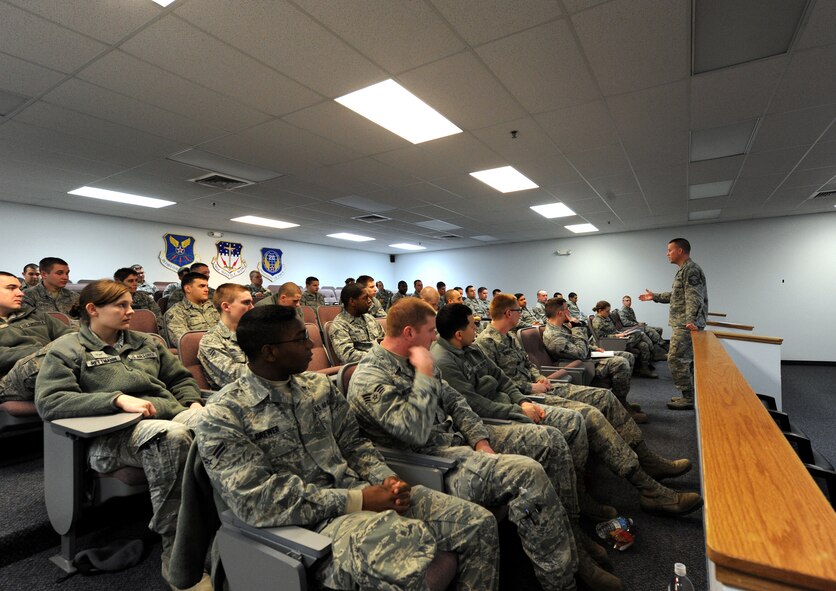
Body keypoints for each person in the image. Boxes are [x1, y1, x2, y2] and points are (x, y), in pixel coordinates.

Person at [195, 305, 500, 590]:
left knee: (479, 523)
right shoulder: (224, 414)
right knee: (406, 546)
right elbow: (260, 501)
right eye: (301, 339)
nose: (311, 347)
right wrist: (358, 500)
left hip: (363, 493)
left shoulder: (318, 387)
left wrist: (386, 479)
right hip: (310, 526)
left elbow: (354, 445)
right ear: (269, 352)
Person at [347, 298, 620, 591]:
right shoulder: (371, 375)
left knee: (550, 440)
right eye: (430, 331)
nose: (436, 337)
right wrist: (424, 376)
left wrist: (480, 440)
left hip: (461, 447)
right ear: (410, 332)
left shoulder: (416, 357)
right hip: (430, 466)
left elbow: (457, 402)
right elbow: (413, 432)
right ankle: (562, 581)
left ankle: (573, 540)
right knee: (526, 473)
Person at [438, 304, 700, 519]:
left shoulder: (480, 345)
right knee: (585, 417)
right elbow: (477, 402)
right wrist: (524, 398)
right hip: (511, 407)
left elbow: (504, 377)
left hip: (527, 394)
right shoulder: (467, 350)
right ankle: (634, 486)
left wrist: (531, 387)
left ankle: (644, 461)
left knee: (603, 397)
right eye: (473, 323)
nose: (477, 325)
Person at [34, 280, 205, 588]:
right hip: (110, 438)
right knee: (171, 436)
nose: (131, 311)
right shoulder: (67, 349)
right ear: (92, 310)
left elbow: (179, 378)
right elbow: (50, 401)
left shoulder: (146, 342)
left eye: (130, 304)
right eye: (121, 305)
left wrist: (192, 404)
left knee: (213, 421)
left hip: (166, 415)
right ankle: (178, 556)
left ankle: (229, 535)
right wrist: (114, 399)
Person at [475, 295, 691, 480]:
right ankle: (637, 473)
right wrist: (530, 386)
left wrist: (539, 378)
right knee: (588, 413)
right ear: (507, 313)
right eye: (517, 310)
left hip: (540, 387)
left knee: (605, 396)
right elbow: (498, 381)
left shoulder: (510, 336)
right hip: (524, 398)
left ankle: (645, 456)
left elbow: (527, 364)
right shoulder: (486, 342)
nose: (521, 313)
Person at [639, 238, 708, 411]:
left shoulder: (691, 269)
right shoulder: (683, 270)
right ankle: (690, 396)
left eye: (670, 250)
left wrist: (690, 320)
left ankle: (688, 397)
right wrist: (654, 296)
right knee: (686, 360)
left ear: (680, 251)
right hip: (684, 322)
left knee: (676, 359)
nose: (667, 253)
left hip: (686, 324)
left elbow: (694, 297)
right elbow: (676, 295)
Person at [0, 271, 74, 403]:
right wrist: (40, 351)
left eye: (19, 288)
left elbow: (70, 336)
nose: (20, 293)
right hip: (8, 380)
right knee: (50, 361)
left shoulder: (35, 314)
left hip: (50, 364)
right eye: (11, 288)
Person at [197, 283, 254, 390]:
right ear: (226, 307)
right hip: (237, 399)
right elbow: (236, 378)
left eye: (251, 302)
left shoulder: (254, 332)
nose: (252, 307)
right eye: (246, 303)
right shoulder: (211, 340)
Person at [591, 300, 658, 378]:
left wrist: (622, 333)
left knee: (643, 345)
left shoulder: (605, 317)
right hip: (610, 343)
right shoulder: (597, 321)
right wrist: (617, 335)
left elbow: (612, 330)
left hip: (617, 340)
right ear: (600, 311)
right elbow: (601, 337)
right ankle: (654, 353)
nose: (609, 313)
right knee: (640, 334)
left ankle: (644, 368)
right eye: (607, 311)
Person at [327, 282, 384, 364]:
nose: (369, 301)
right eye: (365, 298)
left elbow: (385, 341)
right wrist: (379, 357)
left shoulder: (370, 318)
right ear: (352, 302)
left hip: (383, 364)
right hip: (362, 369)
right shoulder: (339, 325)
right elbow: (348, 355)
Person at [164, 272, 220, 347]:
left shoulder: (214, 307)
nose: (207, 290)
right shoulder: (176, 311)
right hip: (199, 352)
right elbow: (183, 341)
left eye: (207, 286)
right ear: (188, 289)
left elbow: (229, 330)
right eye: (202, 286)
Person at [114, 267, 164, 333]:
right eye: (130, 281)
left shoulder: (145, 297)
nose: (135, 284)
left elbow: (158, 317)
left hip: (146, 333)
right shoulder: (112, 300)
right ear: (119, 282)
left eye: (136, 280)